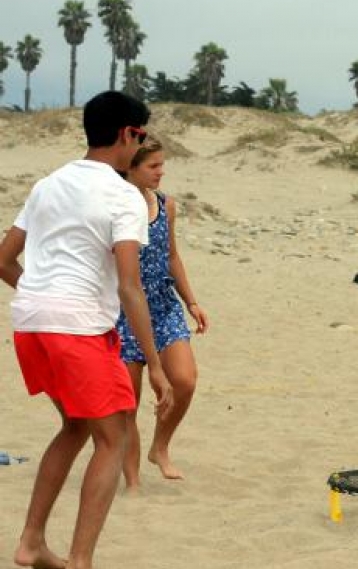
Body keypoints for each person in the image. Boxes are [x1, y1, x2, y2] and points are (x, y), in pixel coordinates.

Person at [0, 91, 174, 569]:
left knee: (76, 426)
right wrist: (156, 365)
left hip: (31, 324)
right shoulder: (124, 196)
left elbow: (3, 259)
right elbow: (130, 287)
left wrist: (40, 295)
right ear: (127, 134)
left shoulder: (48, 184)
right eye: (139, 135)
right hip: (77, 330)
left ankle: (32, 543)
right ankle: (81, 562)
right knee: (114, 437)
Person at [116, 135, 208, 489]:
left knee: (184, 381)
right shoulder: (117, 206)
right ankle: (133, 481)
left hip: (163, 306)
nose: (161, 172)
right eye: (153, 166)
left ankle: (160, 446)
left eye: (161, 165)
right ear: (131, 168)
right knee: (128, 404)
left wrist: (192, 302)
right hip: (123, 313)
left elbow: (171, 256)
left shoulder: (166, 205)